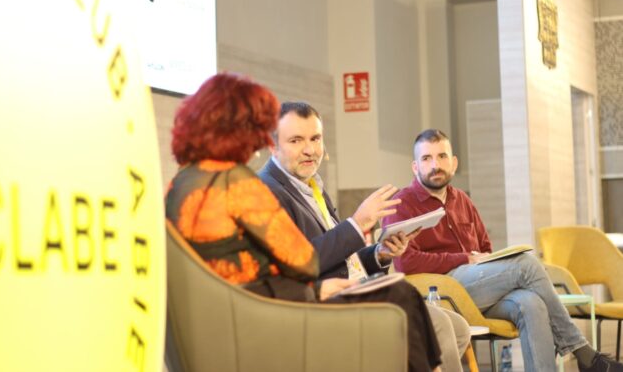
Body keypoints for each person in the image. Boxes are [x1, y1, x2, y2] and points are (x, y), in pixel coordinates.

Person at [164, 73, 442, 372]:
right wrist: (318, 286)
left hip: (226, 318)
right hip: (264, 316)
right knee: (400, 296)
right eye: (256, 129)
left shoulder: (180, 183)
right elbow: (304, 261)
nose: (259, 142)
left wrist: (376, 255)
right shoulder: (238, 183)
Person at [383, 128, 623, 372]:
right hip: (442, 294)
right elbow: (406, 262)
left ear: (453, 163)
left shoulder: (462, 200)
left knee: (532, 303)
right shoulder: (402, 204)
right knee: (526, 264)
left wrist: (485, 264)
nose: (436, 165)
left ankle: (577, 360)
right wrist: (463, 258)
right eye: (427, 158)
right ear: (415, 167)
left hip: (478, 290)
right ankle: (584, 353)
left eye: (442, 156)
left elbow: (485, 248)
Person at [259, 102, 471, 372]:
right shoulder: (267, 191)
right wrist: (357, 224)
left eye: (315, 138)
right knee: (436, 324)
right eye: (296, 140)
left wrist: (379, 254)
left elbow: (341, 256)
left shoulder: (311, 185)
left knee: (459, 328)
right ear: (272, 146)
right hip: (321, 304)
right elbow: (299, 261)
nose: (310, 149)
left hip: (356, 286)